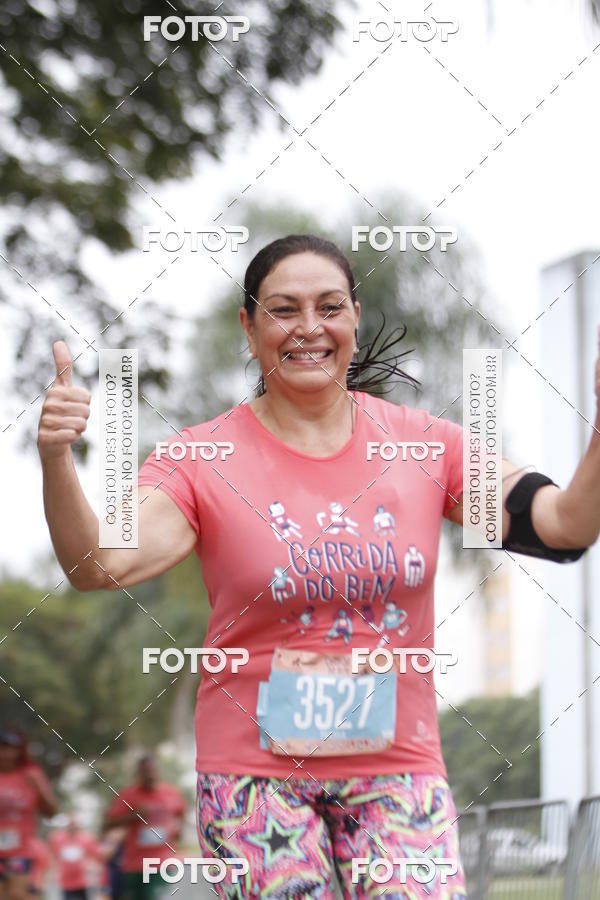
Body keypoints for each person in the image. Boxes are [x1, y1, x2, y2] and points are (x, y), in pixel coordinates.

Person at [37, 234, 600, 898]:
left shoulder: (424, 446)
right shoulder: (202, 458)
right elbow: (96, 564)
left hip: (398, 768)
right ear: (249, 328)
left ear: (355, 319)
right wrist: (55, 457)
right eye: (283, 309)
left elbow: (562, 528)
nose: (309, 327)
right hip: (253, 773)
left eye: (329, 306)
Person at [103, 757, 185, 900]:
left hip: (163, 863)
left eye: (152, 771)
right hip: (135, 866)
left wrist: (177, 832)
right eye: (145, 772)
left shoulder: (171, 793)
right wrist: (133, 815)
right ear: (138, 774)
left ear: (158, 772)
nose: (149, 775)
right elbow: (108, 823)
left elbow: (181, 813)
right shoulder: (129, 795)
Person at [0, 730, 57, 900]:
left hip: (19, 851)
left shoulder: (30, 775)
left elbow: (50, 812)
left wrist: (38, 788)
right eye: (2, 747)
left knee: (16, 894)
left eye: (11, 748)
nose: (6, 753)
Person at [49, 813, 102, 900]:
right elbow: (52, 856)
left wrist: (93, 869)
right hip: (65, 882)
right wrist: (53, 873)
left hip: (83, 881)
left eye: (74, 824)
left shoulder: (87, 839)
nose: (72, 827)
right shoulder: (57, 838)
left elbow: (96, 856)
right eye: (70, 824)